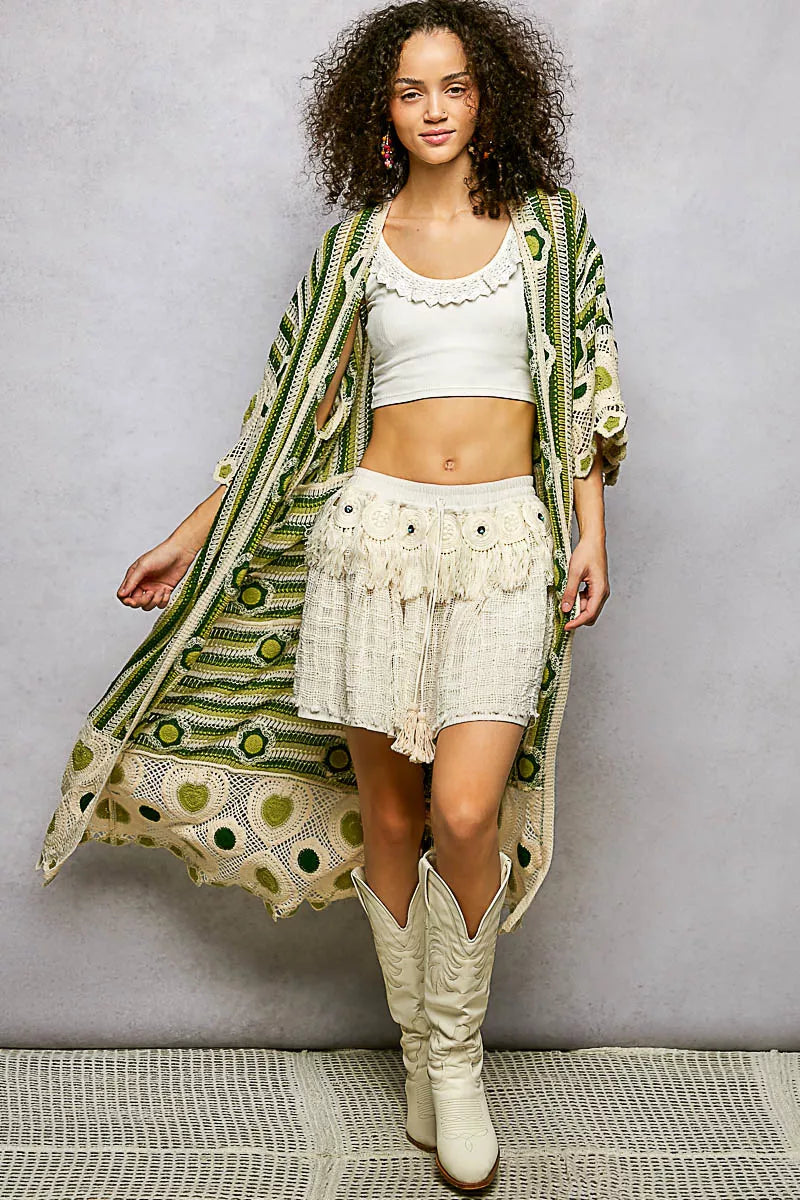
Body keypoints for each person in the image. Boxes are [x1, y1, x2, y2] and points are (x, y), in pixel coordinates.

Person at [35, 1, 628, 1191]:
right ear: (379, 113)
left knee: (466, 811)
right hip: (368, 549)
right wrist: (190, 540)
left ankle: (453, 1063)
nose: (434, 110)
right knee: (392, 821)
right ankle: (420, 1059)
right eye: (410, 93)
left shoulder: (551, 233)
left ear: (489, 95)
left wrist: (589, 535)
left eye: (453, 86)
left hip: (502, 549)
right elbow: (286, 420)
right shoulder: (354, 248)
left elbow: (585, 391)